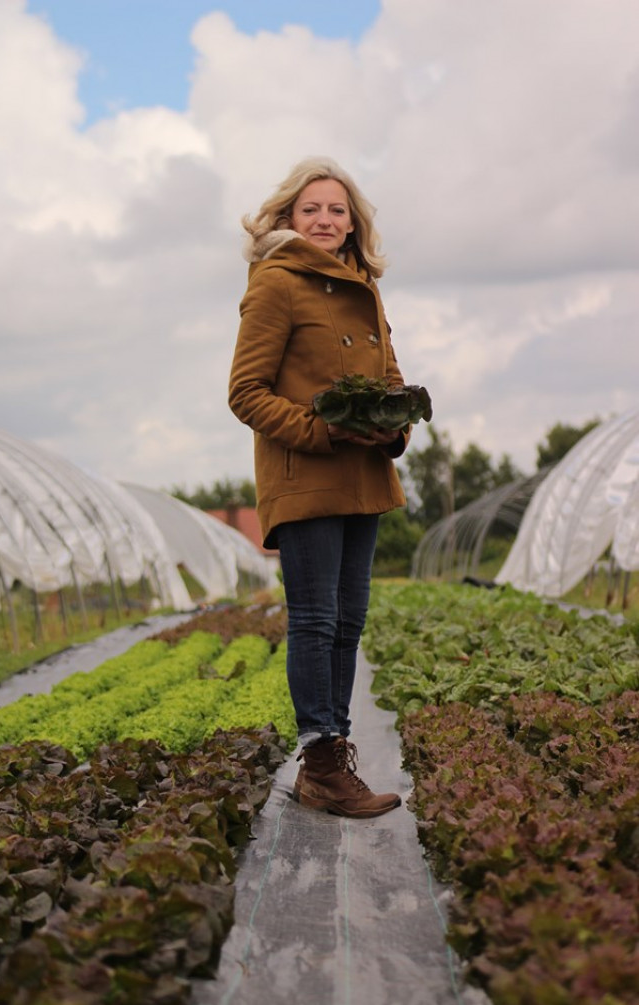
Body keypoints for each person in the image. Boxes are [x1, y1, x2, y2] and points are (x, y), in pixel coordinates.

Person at [228, 156, 411, 818]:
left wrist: (391, 430)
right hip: (304, 474)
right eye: (312, 210)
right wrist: (323, 430)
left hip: (363, 475)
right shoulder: (276, 284)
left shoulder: (364, 286)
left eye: (337, 210)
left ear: (353, 222)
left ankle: (331, 759)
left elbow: (390, 379)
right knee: (316, 618)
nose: (325, 220)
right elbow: (245, 392)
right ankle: (324, 765)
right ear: (288, 218)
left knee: (350, 620)